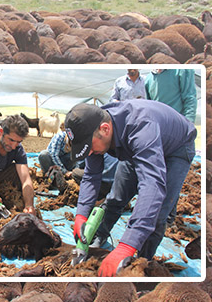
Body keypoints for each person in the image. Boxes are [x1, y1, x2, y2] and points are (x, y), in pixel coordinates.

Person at [65, 100, 196, 277]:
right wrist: (81, 214)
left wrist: (127, 246)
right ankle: (95, 239)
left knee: (157, 213)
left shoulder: (140, 126)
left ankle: (141, 262)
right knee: (116, 197)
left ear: (105, 129)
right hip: (136, 147)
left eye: (88, 147)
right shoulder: (94, 126)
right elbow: (91, 175)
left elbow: (152, 185)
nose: (88, 153)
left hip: (176, 149)